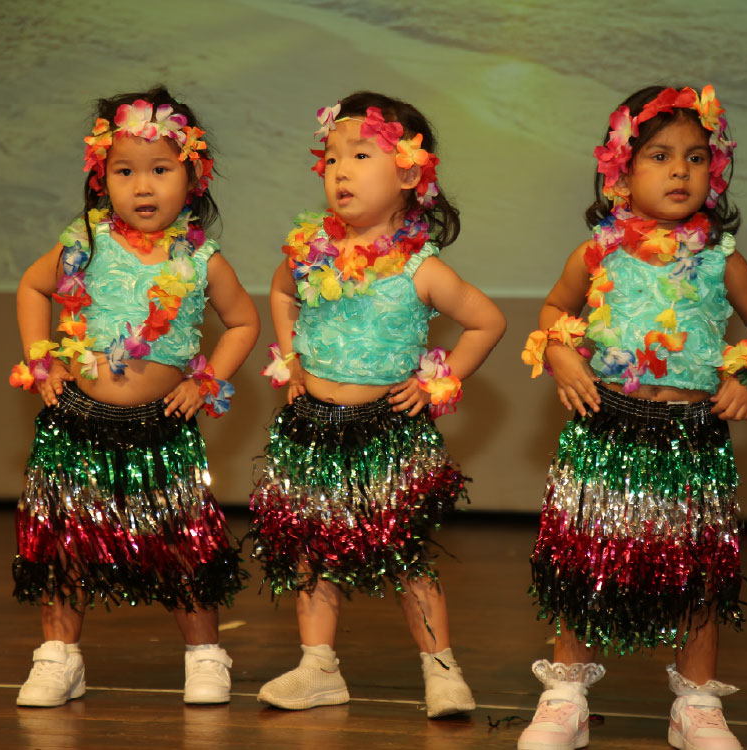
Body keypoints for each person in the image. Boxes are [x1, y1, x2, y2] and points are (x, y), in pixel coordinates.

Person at [519, 85, 747, 750]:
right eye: (660, 156)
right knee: (586, 564)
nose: (680, 171)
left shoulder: (720, 258)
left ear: (714, 172)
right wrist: (561, 352)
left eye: (696, 157)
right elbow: (553, 310)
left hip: (692, 436)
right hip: (606, 427)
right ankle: (566, 696)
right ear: (620, 171)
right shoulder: (597, 253)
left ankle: (696, 705)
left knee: (697, 574)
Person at [250, 91, 506, 718]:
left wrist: (439, 380)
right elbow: (281, 293)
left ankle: (441, 671)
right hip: (311, 427)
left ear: (410, 175)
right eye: (333, 157)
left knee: (406, 554)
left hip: (386, 431)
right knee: (311, 551)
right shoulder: (309, 250)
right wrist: (293, 357)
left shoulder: (421, 268)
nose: (340, 170)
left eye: (361, 155)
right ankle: (318, 667)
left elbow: (487, 322)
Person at [9, 86, 259, 708]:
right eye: (125, 172)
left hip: (161, 426)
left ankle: (205, 655)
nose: (142, 187)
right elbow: (33, 288)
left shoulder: (201, 259)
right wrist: (42, 359)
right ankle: (59, 657)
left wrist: (206, 379)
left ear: (193, 177)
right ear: (102, 177)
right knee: (64, 539)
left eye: (160, 170)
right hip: (77, 421)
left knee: (183, 543)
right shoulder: (85, 243)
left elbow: (243, 322)